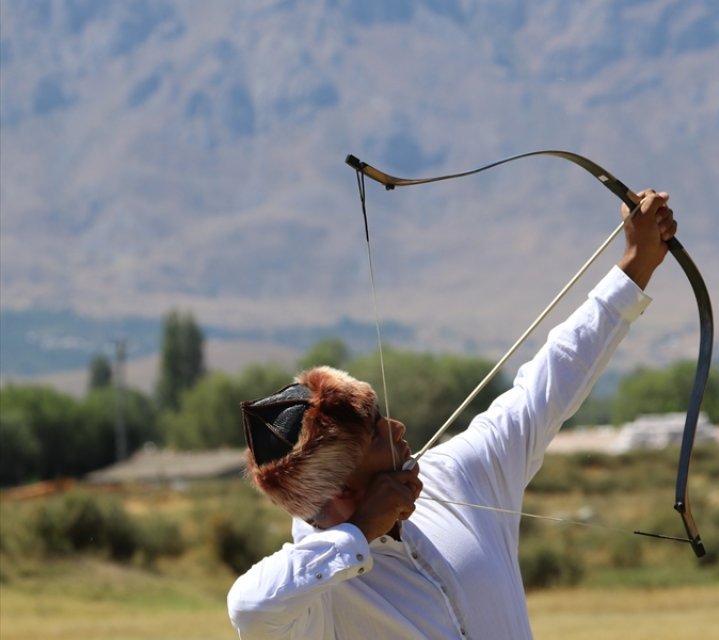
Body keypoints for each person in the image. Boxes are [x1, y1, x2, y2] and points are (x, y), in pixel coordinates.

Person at [227, 190, 678, 639]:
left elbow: (547, 383)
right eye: (374, 431)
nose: (396, 426)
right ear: (345, 485)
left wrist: (638, 262)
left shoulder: (455, 475)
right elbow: (248, 608)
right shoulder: (313, 602)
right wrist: (363, 530)